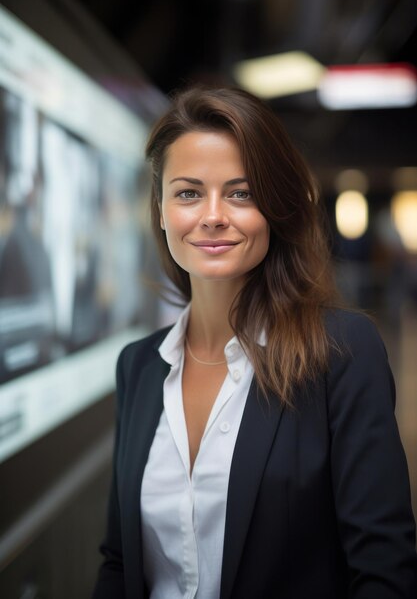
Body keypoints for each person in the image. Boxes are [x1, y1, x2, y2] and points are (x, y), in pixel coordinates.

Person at [92, 86, 417, 599]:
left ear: (275, 208)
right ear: (160, 210)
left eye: (241, 193)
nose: (214, 214)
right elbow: (118, 562)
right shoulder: (138, 366)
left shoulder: (342, 353)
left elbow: (384, 572)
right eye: (188, 192)